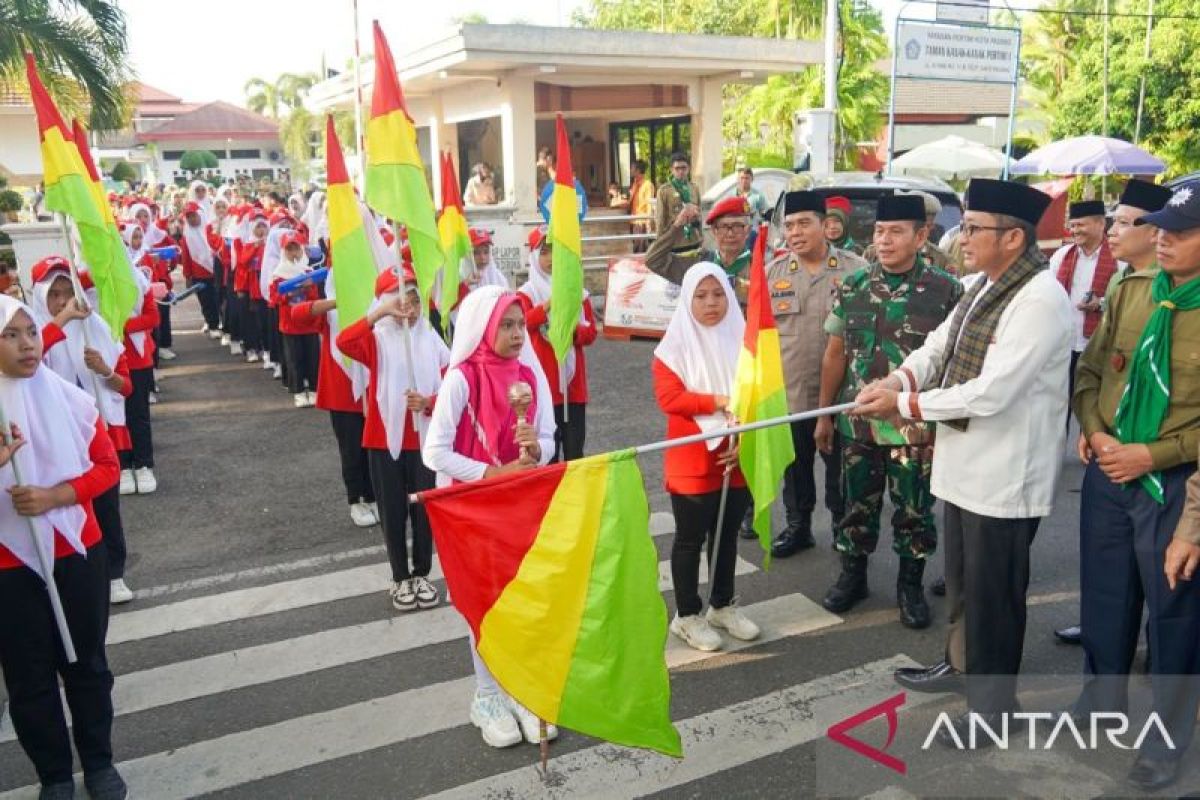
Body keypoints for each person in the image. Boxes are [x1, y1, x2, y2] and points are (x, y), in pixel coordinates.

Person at [854, 179, 1068, 743]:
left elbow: (992, 392)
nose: (962, 236)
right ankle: (961, 664)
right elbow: (936, 349)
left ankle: (993, 713)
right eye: (965, 225)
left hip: (1005, 476)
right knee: (964, 585)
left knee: (994, 598)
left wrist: (904, 404)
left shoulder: (1041, 301)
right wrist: (898, 378)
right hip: (965, 467)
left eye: (974, 228)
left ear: (1015, 238)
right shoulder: (980, 285)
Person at [1069, 180, 1200, 791]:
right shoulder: (1134, 287)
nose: (1165, 238)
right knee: (1104, 595)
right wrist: (1095, 432)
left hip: (1171, 481)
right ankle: (1102, 699)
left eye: (1181, 230)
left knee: (1174, 617)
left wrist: (1154, 453)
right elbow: (1093, 367)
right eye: (1163, 227)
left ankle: (1166, 743)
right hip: (1109, 467)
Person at [0, 294, 126, 800]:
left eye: (31, 332)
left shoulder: (69, 399)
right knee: (29, 679)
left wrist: (55, 495)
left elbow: (107, 467)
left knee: (87, 665)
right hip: (9, 566)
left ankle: (98, 762)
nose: (28, 345)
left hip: (77, 549)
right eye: (11, 335)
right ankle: (54, 775)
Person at [817, 194, 962, 628]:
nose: (884, 240)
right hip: (857, 424)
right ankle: (853, 577)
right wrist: (825, 415)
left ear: (921, 236)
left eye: (896, 231)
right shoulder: (855, 285)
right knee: (854, 506)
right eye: (879, 231)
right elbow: (835, 353)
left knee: (914, 510)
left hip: (912, 428)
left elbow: (953, 361)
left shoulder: (946, 290)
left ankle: (910, 586)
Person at [422, 286, 557, 749]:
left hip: (517, 503)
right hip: (470, 507)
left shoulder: (529, 376)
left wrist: (536, 449)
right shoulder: (462, 378)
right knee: (484, 603)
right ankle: (486, 696)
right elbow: (434, 450)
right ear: (484, 326)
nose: (519, 333)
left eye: (521, 324)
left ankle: (518, 688)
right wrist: (492, 472)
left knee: (518, 599)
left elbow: (550, 439)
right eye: (507, 324)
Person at [1054, 178, 1173, 647]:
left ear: (1158, 231)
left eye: (1124, 222)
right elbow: (1095, 367)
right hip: (1110, 449)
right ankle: (1103, 676)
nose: (1112, 232)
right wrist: (1094, 427)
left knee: (1165, 589)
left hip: (1159, 461)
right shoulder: (1123, 284)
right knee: (1107, 575)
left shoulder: (1176, 293)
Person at [653, 262, 759, 653]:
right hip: (693, 458)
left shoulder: (743, 341)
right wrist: (718, 402)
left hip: (737, 453)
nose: (711, 303)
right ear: (687, 299)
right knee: (689, 539)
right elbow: (670, 398)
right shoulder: (674, 346)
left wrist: (743, 436)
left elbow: (758, 394)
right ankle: (687, 615)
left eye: (718, 295)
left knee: (727, 535)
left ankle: (722, 604)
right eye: (701, 296)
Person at [339, 267, 448, 612]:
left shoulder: (431, 338)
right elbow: (344, 342)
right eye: (401, 302)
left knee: (424, 509)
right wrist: (382, 313)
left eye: (414, 301)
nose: (410, 309)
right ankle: (400, 577)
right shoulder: (377, 339)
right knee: (393, 509)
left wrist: (428, 403)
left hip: (424, 439)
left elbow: (452, 384)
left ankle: (422, 574)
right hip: (384, 440)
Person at [763, 191, 867, 555]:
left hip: (841, 397)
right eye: (789, 225)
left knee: (840, 468)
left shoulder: (856, 271)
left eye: (804, 223)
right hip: (791, 393)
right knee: (796, 466)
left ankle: (843, 528)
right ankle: (798, 526)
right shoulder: (771, 274)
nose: (795, 232)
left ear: (826, 225)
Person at [30, 259, 136, 606]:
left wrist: (105, 370)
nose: (62, 302)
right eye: (54, 295)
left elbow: (126, 388)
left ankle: (114, 574)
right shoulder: (32, 336)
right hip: (51, 442)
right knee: (65, 511)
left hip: (98, 436)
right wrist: (62, 320)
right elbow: (31, 361)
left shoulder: (98, 331)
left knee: (106, 509)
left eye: (67, 293)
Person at [290, 272, 378, 529]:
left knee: (373, 449)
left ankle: (373, 496)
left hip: (372, 390)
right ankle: (357, 500)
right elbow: (296, 315)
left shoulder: (374, 306)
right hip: (342, 393)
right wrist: (336, 302)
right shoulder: (330, 312)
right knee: (351, 450)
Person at [517, 227, 597, 461]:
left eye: (556, 252)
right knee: (546, 455)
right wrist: (549, 305)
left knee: (574, 453)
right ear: (533, 256)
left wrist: (571, 332)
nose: (551, 259)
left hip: (573, 388)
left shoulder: (579, 293)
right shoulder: (526, 293)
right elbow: (523, 323)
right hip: (543, 386)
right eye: (544, 252)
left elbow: (591, 332)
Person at [1050, 200, 1116, 407]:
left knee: (1092, 403)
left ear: (1100, 224)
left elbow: (1123, 297)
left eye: (1081, 225)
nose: (1075, 231)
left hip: (1097, 345)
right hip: (1065, 343)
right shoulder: (1062, 255)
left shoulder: (1118, 258)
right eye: (1073, 225)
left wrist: (1101, 303)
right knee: (1060, 402)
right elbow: (1049, 290)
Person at [645, 196, 754, 303]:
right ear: (714, 231)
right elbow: (653, 260)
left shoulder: (759, 267)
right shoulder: (699, 265)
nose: (730, 234)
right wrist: (678, 225)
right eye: (724, 227)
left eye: (737, 226)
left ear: (747, 231)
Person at [269, 233, 321, 408]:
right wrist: (288, 294)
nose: (293, 253)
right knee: (294, 359)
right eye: (289, 249)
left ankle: (314, 390)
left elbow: (315, 297)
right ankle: (298, 392)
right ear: (284, 251)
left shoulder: (308, 272)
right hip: (290, 324)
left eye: (296, 248)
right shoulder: (278, 274)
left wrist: (308, 288)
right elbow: (274, 298)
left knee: (313, 358)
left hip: (309, 323)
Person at [862, 190, 952, 271]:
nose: (885, 240)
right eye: (880, 230)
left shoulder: (941, 258)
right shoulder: (873, 253)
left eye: (927, 226)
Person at [178, 202, 222, 337]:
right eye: (189, 216)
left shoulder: (210, 230)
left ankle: (223, 324)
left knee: (219, 299)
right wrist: (188, 276)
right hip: (199, 275)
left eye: (194, 215)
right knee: (206, 301)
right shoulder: (187, 236)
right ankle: (213, 325)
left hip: (215, 271)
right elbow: (185, 257)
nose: (192, 219)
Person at [655, 152, 702, 250]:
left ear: (688, 169)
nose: (681, 171)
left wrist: (700, 236)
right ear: (671, 170)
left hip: (693, 240)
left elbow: (699, 214)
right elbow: (660, 219)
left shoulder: (694, 188)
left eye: (684, 168)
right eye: (677, 168)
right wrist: (660, 243)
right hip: (675, 242)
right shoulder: (664, 191)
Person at [628, 159, 655, 252]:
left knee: (641, 250)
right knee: (635, 249)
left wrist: (649, 222)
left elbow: (649, 204)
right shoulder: (635, 184)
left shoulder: (647, 185)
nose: (630, 170)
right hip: (634, 221)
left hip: (642, 221)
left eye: (632, 168)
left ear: (638, 170)